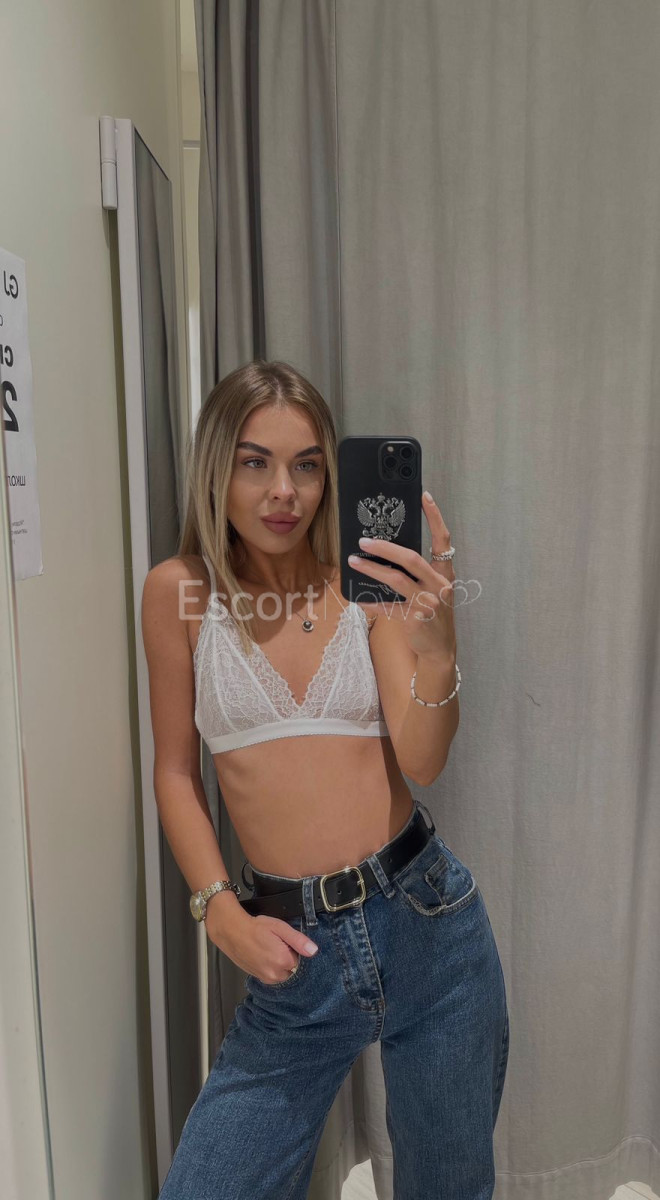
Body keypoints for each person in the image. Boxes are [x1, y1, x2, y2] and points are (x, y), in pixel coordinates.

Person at [141, 359, 509, 1200]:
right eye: (255, 462)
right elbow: (174, 772)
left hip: (429, 926)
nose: (285, 491)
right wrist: (217, 911)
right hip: (293, 956)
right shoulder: (181, 593)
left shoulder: (363, 587)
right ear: (217, 468)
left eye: (306, 465)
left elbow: (423, 760)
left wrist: (439, 651)